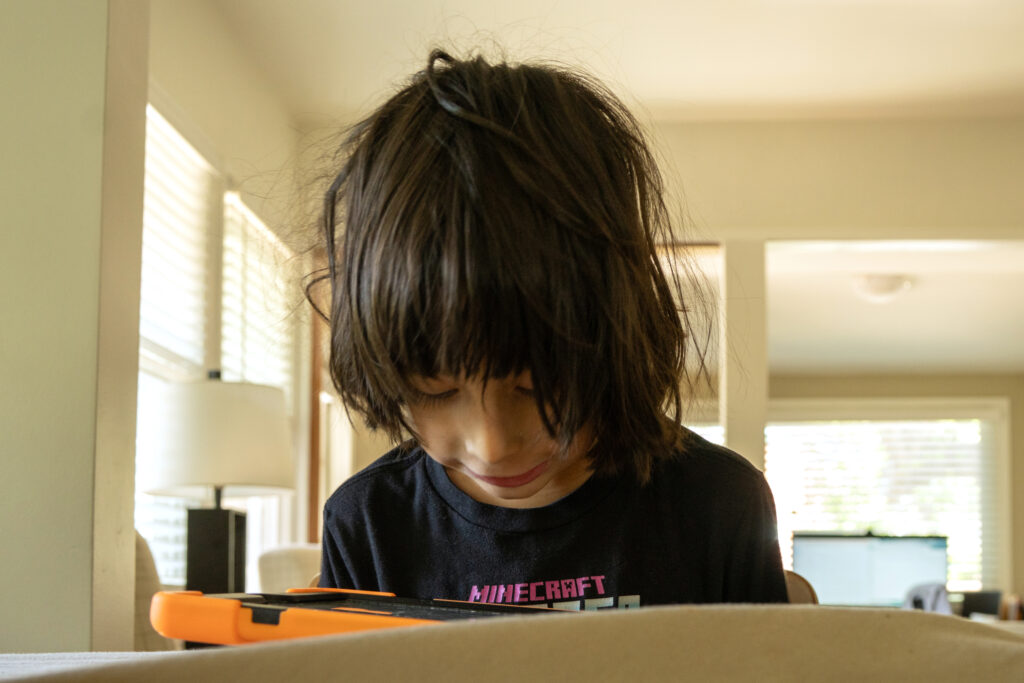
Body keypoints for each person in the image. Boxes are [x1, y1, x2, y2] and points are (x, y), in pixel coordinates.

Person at [307, 49, 788, 609]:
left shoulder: (718, 503)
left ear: (619, 336)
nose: (491, 447)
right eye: (436, 390)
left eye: (536, 387)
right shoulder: (367, 521)